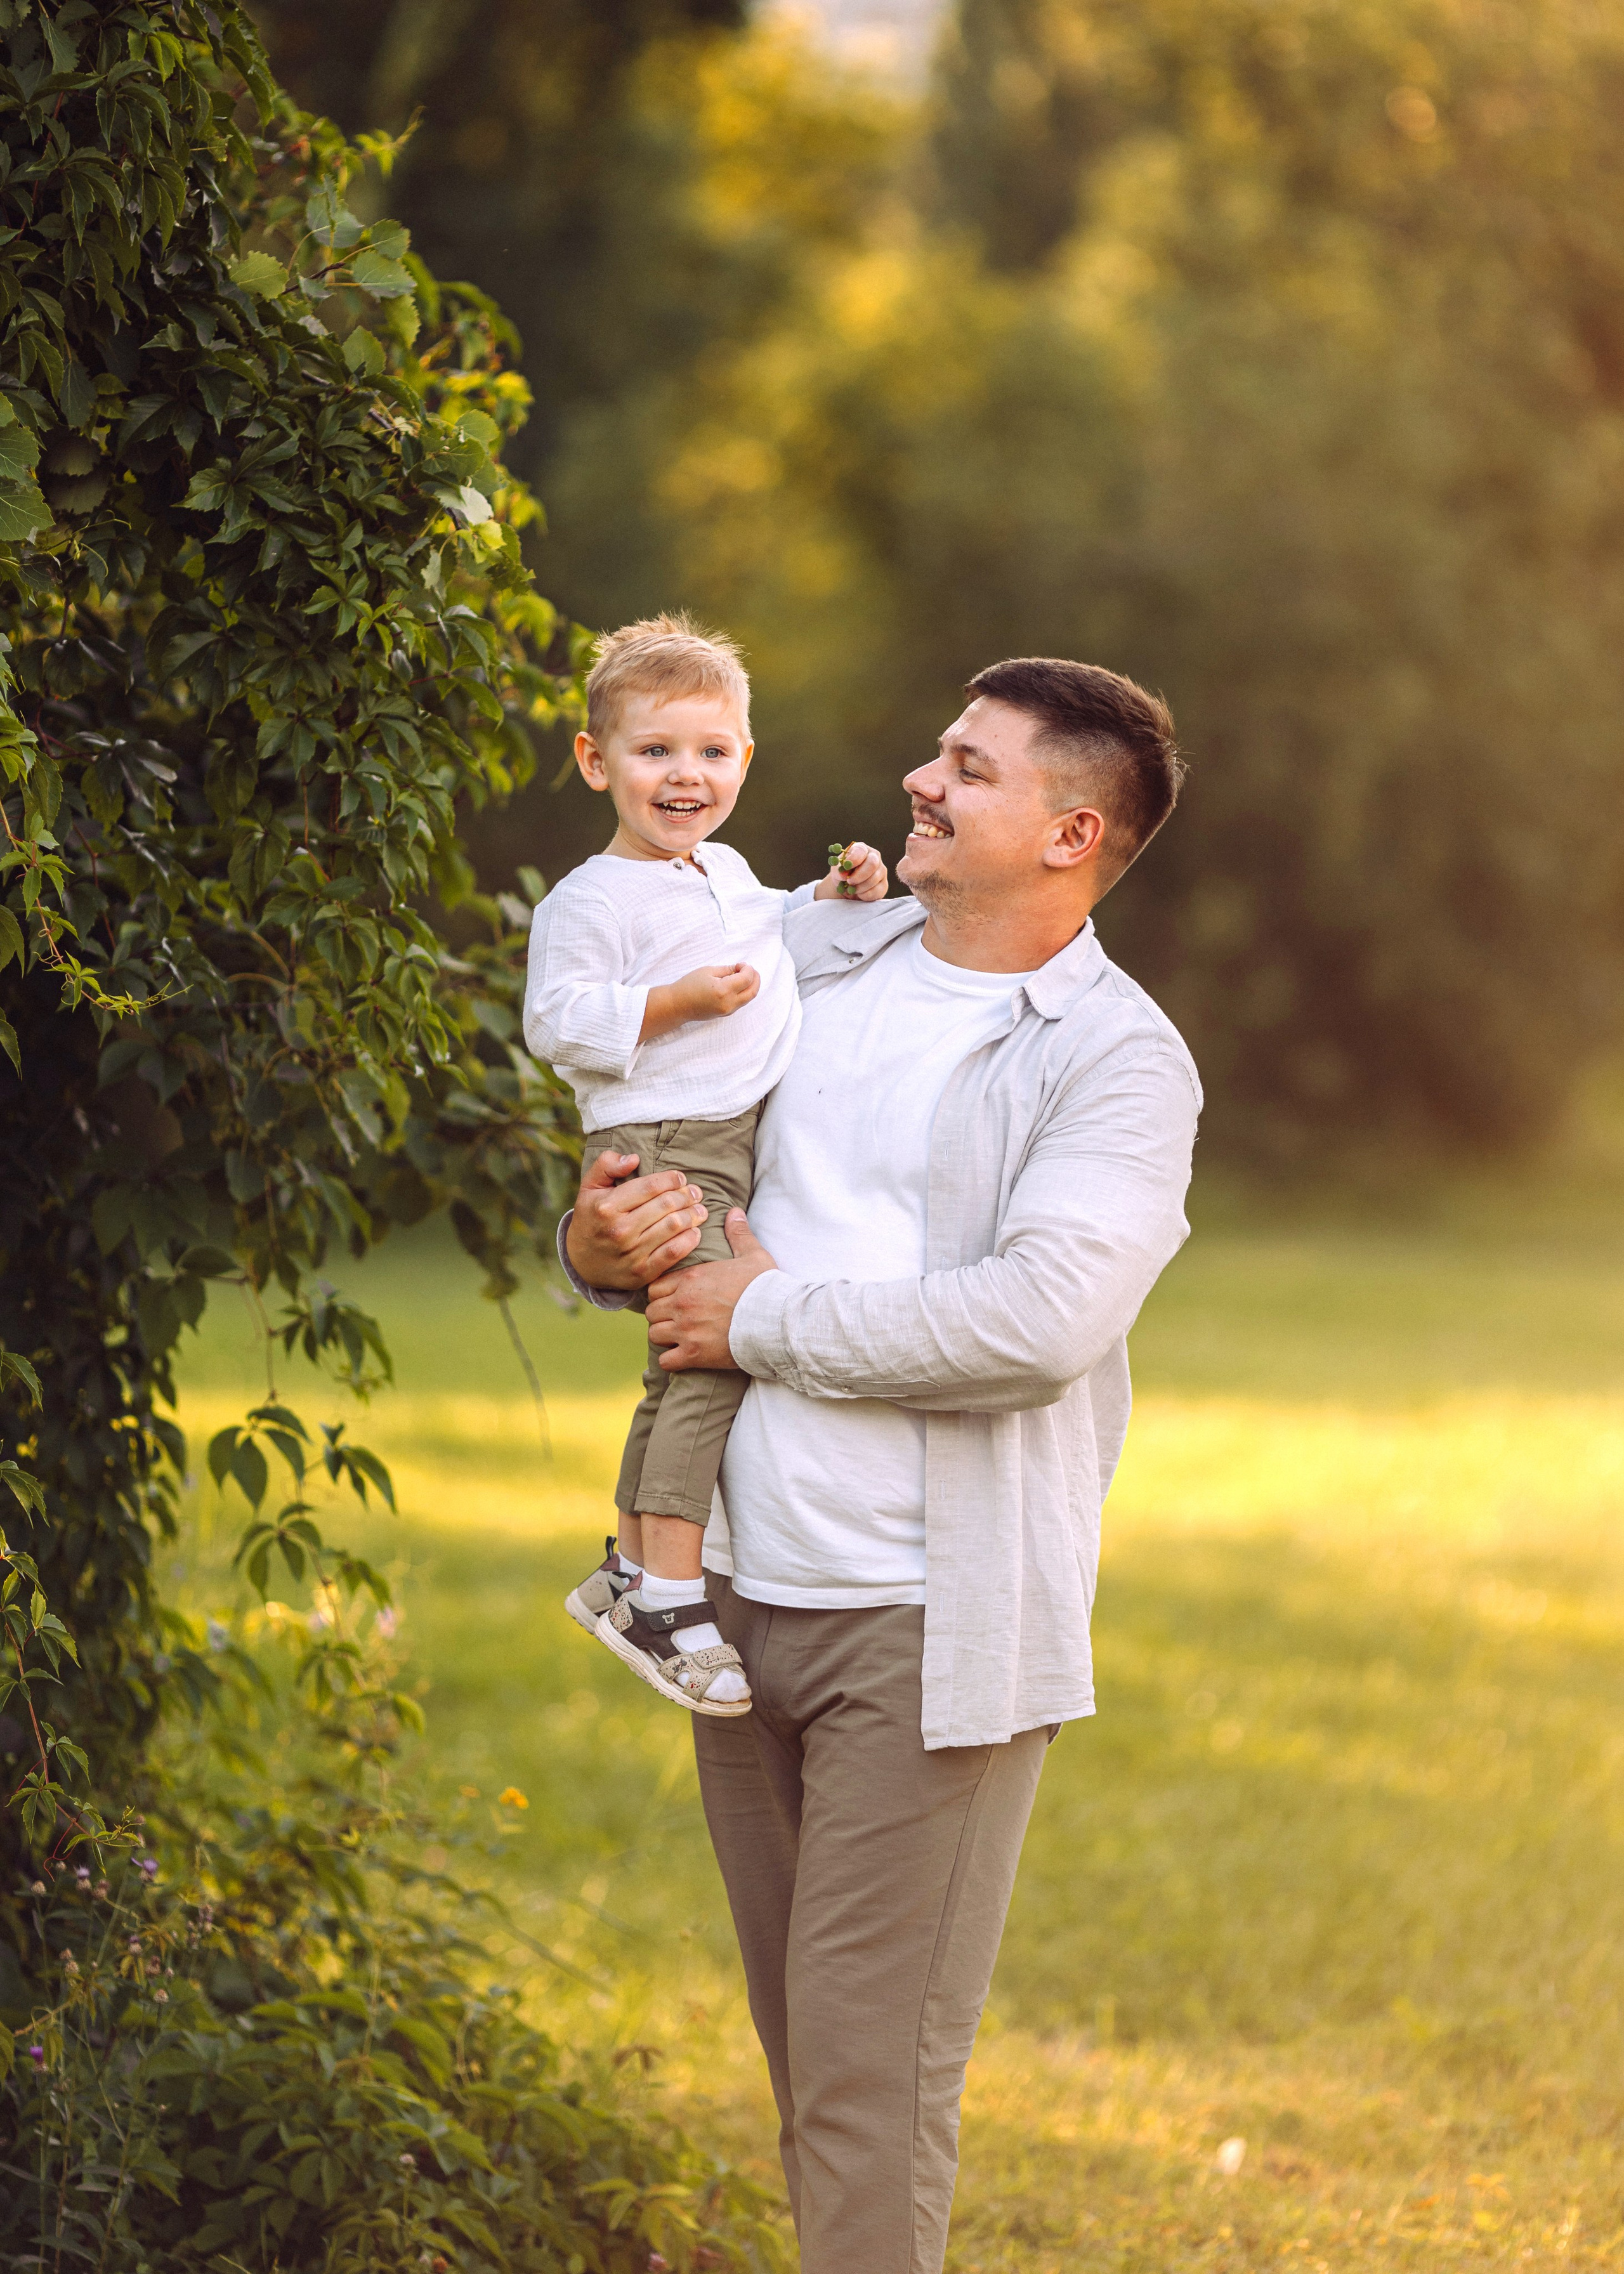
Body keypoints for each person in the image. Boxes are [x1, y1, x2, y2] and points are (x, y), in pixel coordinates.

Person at [560, 655, 1200, 2274]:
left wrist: (761, 1317)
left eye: (968, 768)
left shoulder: (1116, 1059)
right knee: (812, 2061)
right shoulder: (812, 954)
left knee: (867, 2085)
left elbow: (1037, 1322)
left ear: (1068, 833)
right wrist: (595, 1241)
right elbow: (665, 1157)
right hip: (727, 1604)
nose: (921, 778)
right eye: (937, 751)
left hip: (925, 1626)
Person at [523, 612, 887, 1717]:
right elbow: (556, 1020)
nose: (687, 774)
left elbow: (767, 932)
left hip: (722, 1136)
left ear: (744, 760)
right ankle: (671, 1596)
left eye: (712, 751)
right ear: (597, 762)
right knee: (709, 1356)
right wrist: (673, 1003)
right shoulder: (591, 898)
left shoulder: (721, 869)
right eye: (656, 750)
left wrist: (830, 898)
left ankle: (634, 1575)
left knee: (685, 1358)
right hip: (665, 1139)